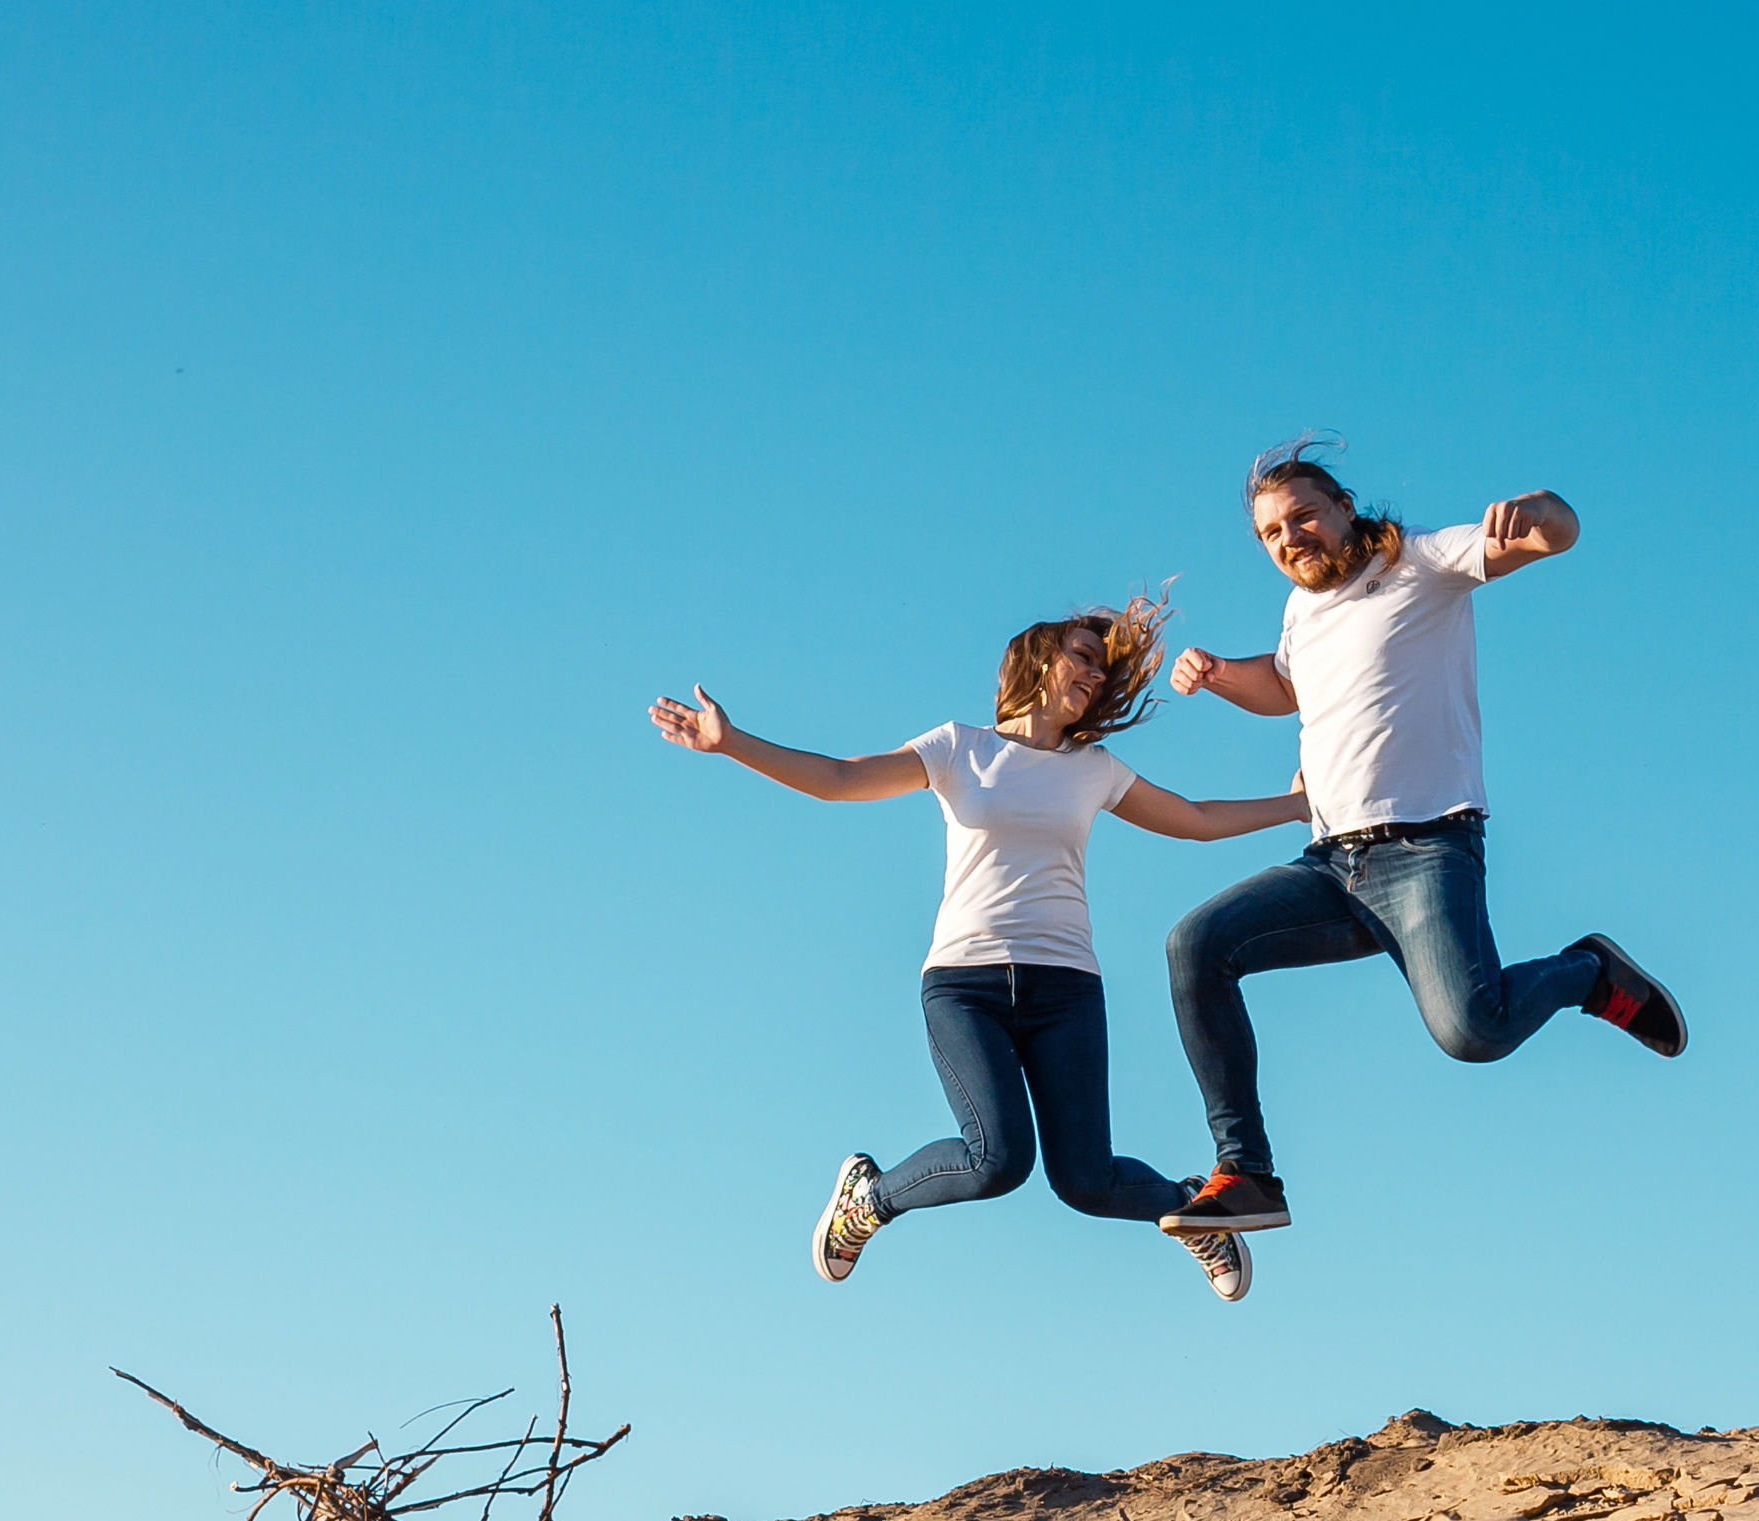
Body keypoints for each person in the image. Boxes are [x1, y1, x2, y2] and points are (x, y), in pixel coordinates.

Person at [650, 596, 1308, 1299]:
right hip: (966, 985)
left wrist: (1297, 805)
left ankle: (1195, 1211)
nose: (1095, 674)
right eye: (1083, 656)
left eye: (1102, 669)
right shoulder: (959, 747)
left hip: (1068, 990)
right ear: (1040, 658)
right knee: (997, 1158)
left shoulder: (1094, 768)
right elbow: (841, 779)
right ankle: (867, 1199)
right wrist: (734, 742)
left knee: (1086, 1181)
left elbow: (1196, 818)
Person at [1153, 441, 1688, 1238]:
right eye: (1271, 533)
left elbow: (1557, 534)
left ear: (1344, 508)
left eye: (1302, 515)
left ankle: (1589, 971)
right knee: (1195, 944)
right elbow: (1286, 685)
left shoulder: (1421, 561)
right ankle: (1248, 1173)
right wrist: (1220, 672)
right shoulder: (1302, 609)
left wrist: (1538, 509)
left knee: (1474, 1031)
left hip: (1428, 852)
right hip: (1330, 866)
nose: (1290, 537)